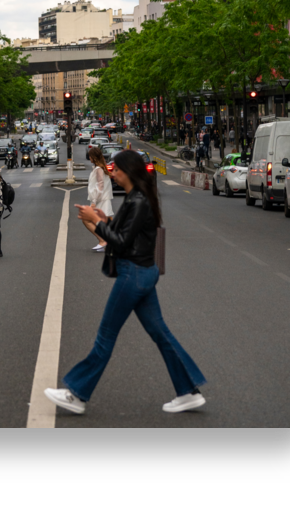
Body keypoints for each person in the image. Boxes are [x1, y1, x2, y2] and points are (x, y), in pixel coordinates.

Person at [43, 149, 206, 416]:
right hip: (143, 272)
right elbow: (124, 230)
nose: (112, 173)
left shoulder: (138, 200)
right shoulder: (137, 198)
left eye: (116, 169)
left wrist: (96, 223)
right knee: (160, 334)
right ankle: (188, 391)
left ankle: (76, 393)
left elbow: (119, 242)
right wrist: (103, 218)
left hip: (133, 274)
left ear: (128, 171)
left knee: (105, 336)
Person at [86, 147, 114, 253]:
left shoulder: (99, 169)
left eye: (90, 156)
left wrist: (93, 201)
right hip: (102, 200)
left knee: (87, 220)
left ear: (93, 157)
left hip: (100, 200)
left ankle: (102, 241)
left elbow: (100, 186)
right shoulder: (100, 168)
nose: (89, 158)